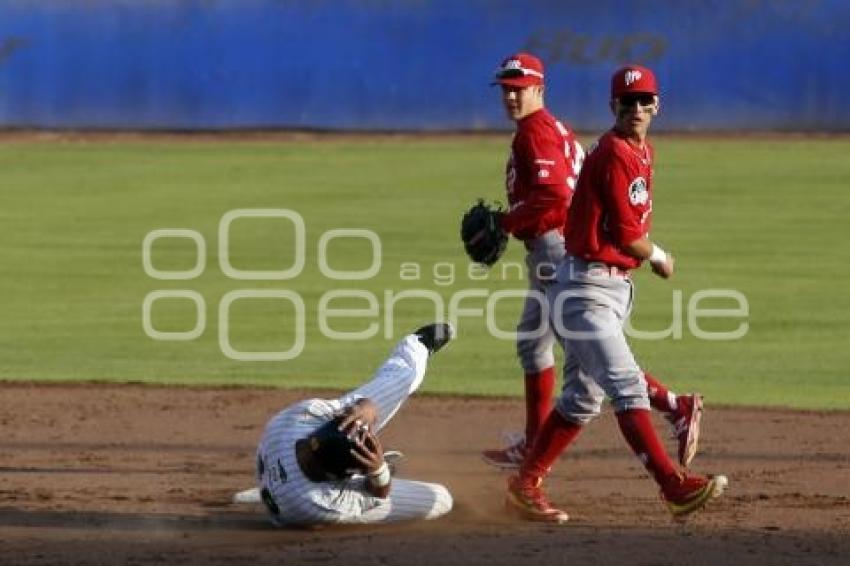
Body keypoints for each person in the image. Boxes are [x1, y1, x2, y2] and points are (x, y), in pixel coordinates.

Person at [504, 64, 727, 524]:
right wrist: (661, 256)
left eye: (645, 101)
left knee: (582, 399)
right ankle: (673, 486)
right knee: (625, 386)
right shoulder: (613, 153)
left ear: (657, 105)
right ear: (613, 107)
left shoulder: (640, 151)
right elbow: (628, 235)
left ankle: (524, 486)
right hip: (583, 289)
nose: (637, 109)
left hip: (608, 286)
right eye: (628, 102)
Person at [254, 323, 455, 526]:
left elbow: (348, 415)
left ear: (320, 433)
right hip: (298, 498)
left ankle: (418, 343)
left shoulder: (299, 419)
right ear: (344, 478)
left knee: (398, 381)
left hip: (282, 459)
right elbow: (377, 493)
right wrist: (378, 470)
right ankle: (376, 464)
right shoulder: (319, 503)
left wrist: (366, 406)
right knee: (441, 499)